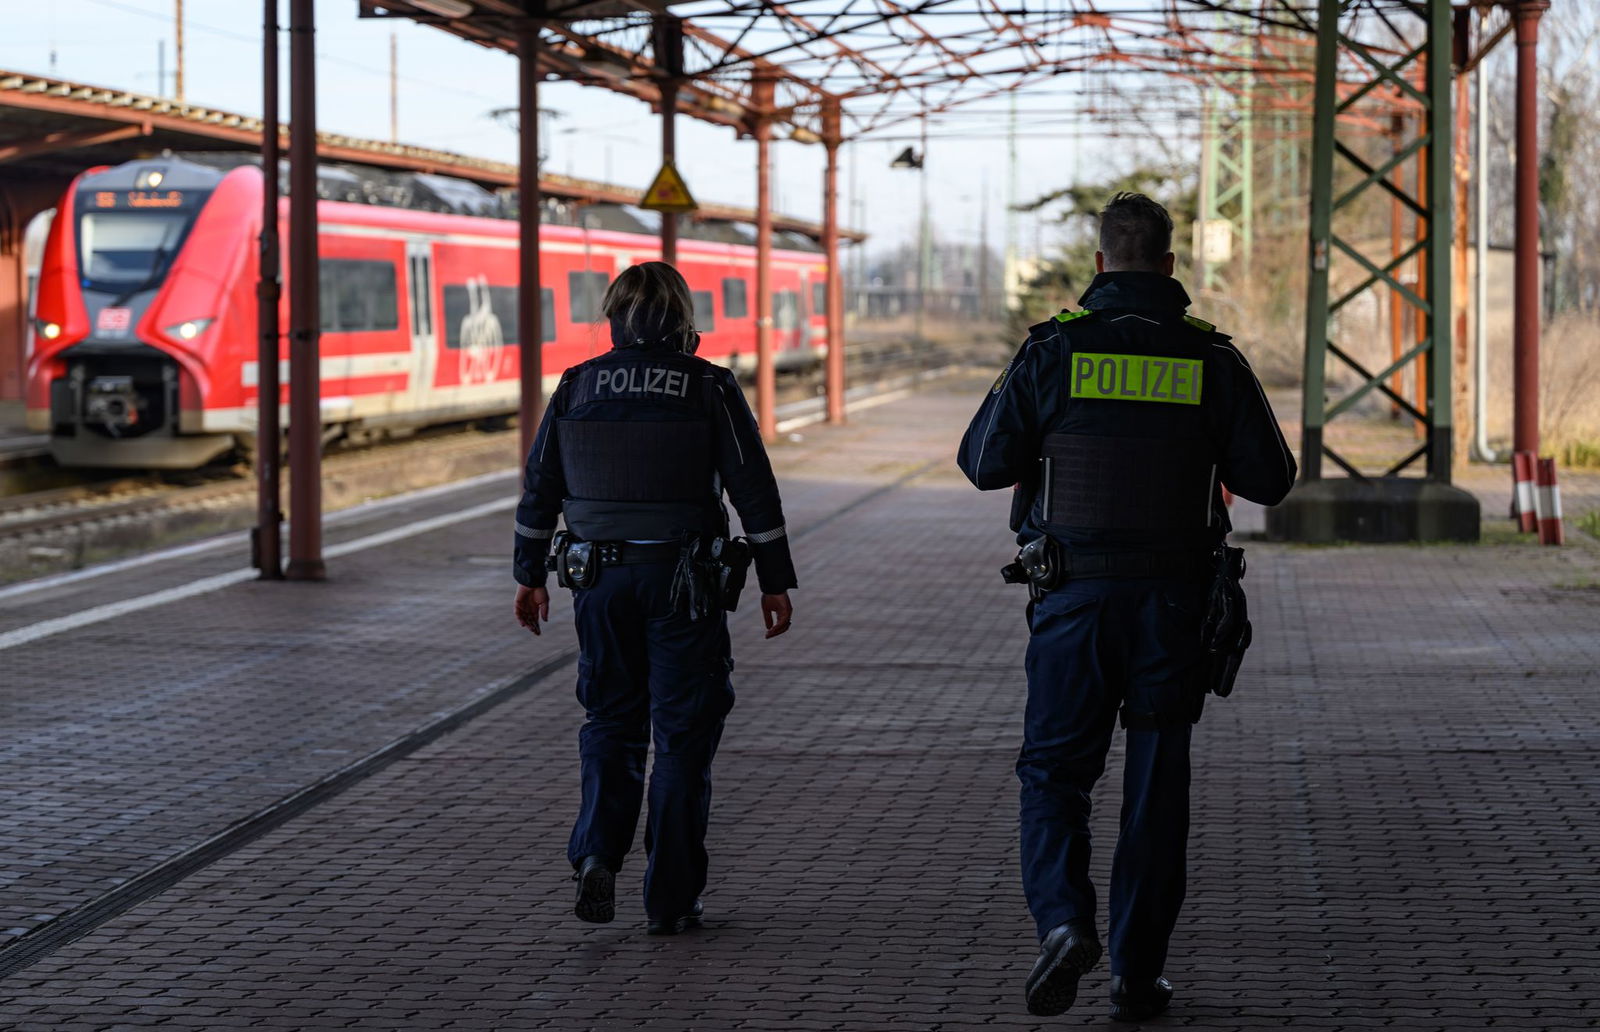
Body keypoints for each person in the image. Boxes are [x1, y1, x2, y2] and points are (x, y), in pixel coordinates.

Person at [957, 193, 1296, 1020]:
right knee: (1155, 786)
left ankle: (1064, 924)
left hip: (1073, 600)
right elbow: (1272, 480)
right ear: (1171, 266)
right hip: (1172, 608)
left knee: (1055, 772)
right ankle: (1136, 976)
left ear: (1100, 263)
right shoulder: (1211, 357)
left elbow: (982, 462)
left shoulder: (1054, 349)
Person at [511, 261, 796, 936]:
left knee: (610, 721)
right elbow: (752, 488)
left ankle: (596, 854)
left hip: (598, 581)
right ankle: (670, 897)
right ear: (682, 318)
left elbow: (540, 487)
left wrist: (529, 574)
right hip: (683, 583)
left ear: (614, 316)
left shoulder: (577, 385)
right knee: (682, 736)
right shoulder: (708, 386)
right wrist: (774, 579)